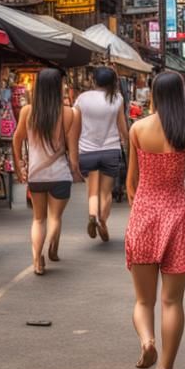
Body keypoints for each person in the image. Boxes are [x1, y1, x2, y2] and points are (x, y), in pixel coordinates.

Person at [125, 71, 185, 369]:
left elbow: (131, 183)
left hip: (144, 216)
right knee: (172, 301)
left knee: (143, 300)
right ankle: (165, 367)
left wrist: (141, 211)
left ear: (153, 94)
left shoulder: (138, 129)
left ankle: (147, 341)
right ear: (182, 94)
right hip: (176, 218)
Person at [13, 68, 80, 275]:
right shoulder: (71, 114)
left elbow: (17, 140)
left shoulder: (28, 112)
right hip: (60, 175)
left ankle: (36, 260)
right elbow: (74, 155)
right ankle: (52, 245)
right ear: (58, 87)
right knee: (55, 217)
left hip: (36, 175)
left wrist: (18, 165)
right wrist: (77, 171)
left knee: (38, 219)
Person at [74, 67, 128, 243]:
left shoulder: (82, 98)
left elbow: (75, 125)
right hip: (110, 150)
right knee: (106, 192)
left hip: (87, 150)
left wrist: (72, 150)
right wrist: (129, 145)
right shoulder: (117, 98)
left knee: (92, 190)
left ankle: (92, 215)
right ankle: (102, 221)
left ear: (94, 80)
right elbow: (122, 127)